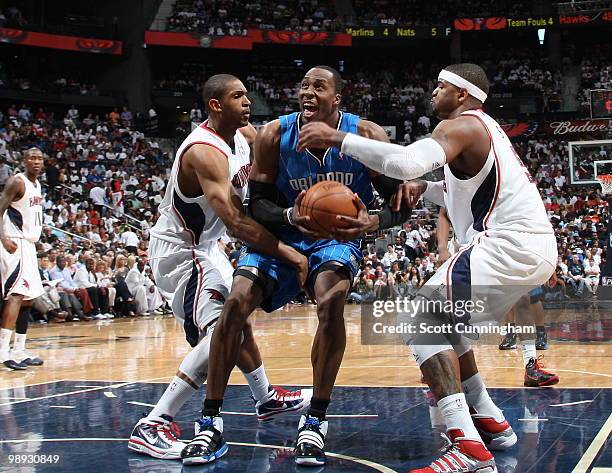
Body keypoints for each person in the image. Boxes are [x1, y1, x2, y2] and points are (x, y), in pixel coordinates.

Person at [297, 63, 557, 473]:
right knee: (444, 327)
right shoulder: (480, 131)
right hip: (530, 248)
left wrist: (337, 137)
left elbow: (403, 163)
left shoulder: (462, 126)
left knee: (419, 321)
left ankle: (468, 447)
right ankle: (492, 422)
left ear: (464, 94)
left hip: (508, 243)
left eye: (441, 87)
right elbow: (456, 186)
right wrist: (428, 189)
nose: (433, 93)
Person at [184, 66, 412, 467]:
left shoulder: (368, 135)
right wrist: (291, 215)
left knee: (332, 301)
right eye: (304, 86)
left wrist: (374, 223)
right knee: (235, 304)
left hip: (336, 240)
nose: (308, 92)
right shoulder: (274, 134)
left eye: (318, 87)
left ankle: (315, 420)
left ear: (337, 98)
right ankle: (209, 419)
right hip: (285, 233)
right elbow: (257, 205)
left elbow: (401, 205)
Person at [128, 74, 311, 461]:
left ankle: (266, 398)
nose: (248, 103)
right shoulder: (203, 152)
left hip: (208, 247)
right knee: (222, 329)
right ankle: (154, 423)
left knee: (238, 317)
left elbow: (278, 144)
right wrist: (289, 252)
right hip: (183, 251)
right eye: (238, 97)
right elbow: (237, 223)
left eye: (247, 96)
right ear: (215, 105)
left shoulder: (244, 136)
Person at [0, 147, 45, 370]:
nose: (36, 162)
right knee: (15, 296)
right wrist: (3, 239)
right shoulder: (16, 182)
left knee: (28, 298)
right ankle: (3, 352)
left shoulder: (37, 185)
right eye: (32, 158)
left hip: (28, 245)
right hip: (13, 242)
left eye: (39, 158)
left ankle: (19, 349)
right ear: (24, 160)